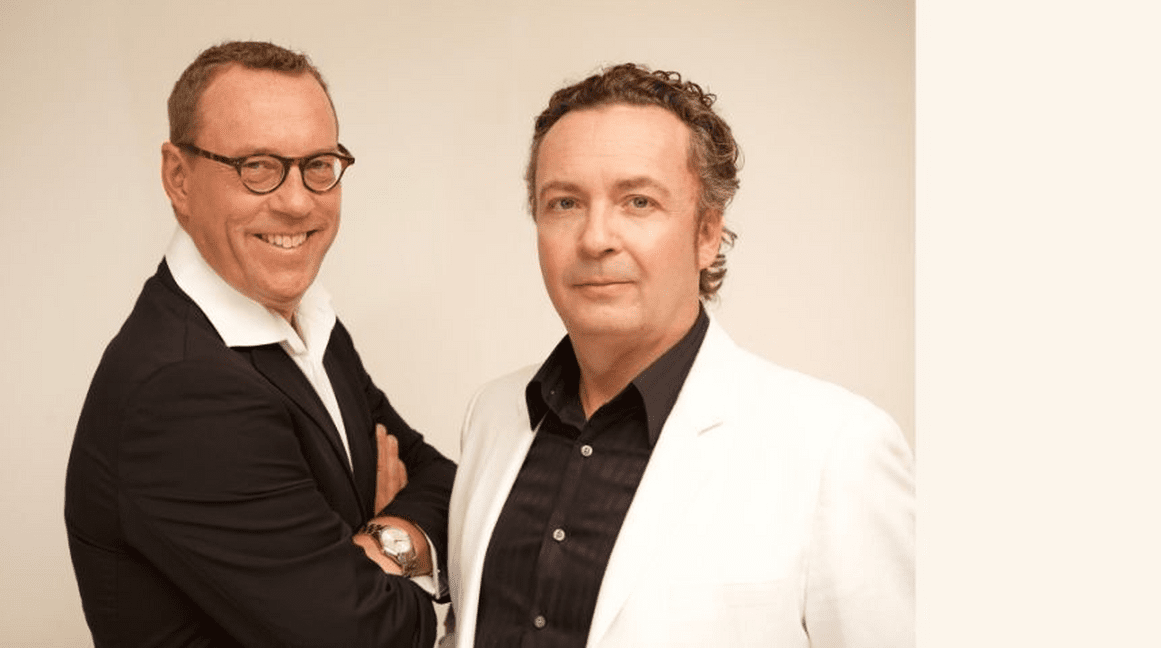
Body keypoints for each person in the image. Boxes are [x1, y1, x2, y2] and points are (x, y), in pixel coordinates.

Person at [446, 64, 914, 647]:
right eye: (564, 203)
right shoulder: (492, 415)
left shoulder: (837, 449)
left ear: (707, 234)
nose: (596, 239)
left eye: (638, 202)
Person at [64, 41, 454, 648]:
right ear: (178, 178)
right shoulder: (183, 390)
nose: (296, 201)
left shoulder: (306, 322)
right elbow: (370, 636)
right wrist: (390, 564)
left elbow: (443, 481)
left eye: (318, 164)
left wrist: (380, 544)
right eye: (257, 166)